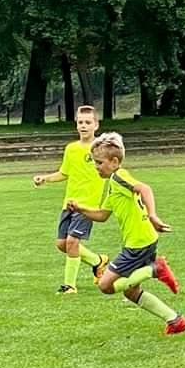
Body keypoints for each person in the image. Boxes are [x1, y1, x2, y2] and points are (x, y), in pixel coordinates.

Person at [67, 132, 185, 335]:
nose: (96, 167)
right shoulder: (113, 184)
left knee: (105, 285)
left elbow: (145, 188)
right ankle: (175, 320)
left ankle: (155, 269)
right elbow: (102, 215)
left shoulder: (119, 176)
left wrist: (152, 215)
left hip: (138, 243)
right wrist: (80, 208)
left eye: (99, 162)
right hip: (144, 240)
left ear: (114, 162)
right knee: (132, 292)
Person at [32, 105, 108, 294]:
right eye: (80, 122)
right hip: (69, 203)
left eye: (88, 122)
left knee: (72, 242)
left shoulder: (101, 149)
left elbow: (112, 169)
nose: (84, 126)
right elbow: (64, 173)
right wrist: (45, 178)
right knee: (62, 244)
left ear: (96, 125)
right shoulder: (71, 149)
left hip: (87, 206)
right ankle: (98, 261)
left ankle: (69, 286)